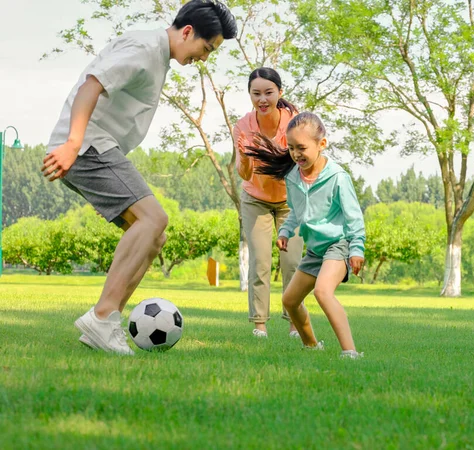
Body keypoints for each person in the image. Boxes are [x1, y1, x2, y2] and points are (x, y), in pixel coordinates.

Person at [41, 0, 237, 354]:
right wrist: (72, 143)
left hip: (97, 146)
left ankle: (105, 321)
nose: (204, 58)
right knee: (154, 218)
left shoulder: (156, 53)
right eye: (206, 48)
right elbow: (92, 85)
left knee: (153, 236)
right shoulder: (145, 48)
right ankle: (102, 317)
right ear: (188, 31)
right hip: (89, 145)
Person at [244, 112, 366, 359]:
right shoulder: (293, 178)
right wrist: (286, 231)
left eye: (302, 147)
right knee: (289, 300)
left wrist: (357, 249)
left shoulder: (337, 178)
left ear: (322, 144)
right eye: (291, 148)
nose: (296, 154)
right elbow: (296, 212)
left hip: (338, 245)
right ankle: (311, 346)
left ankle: (351, 352)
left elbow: (354, 217)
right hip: (315, 250)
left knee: (323, 292)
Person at [233, 67, 304, 338]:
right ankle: (259, 325)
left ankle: (294, 324)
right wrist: (244, 156)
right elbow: (245, 174)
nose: (262, 99)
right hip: (256, 200)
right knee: (260, 262)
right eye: (256, 93)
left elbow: (306, 161)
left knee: (292, 262)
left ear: (279, 92)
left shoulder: (294, 122)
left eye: (268, 93)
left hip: (290, 202)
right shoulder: (243, 126)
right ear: (250, 95)